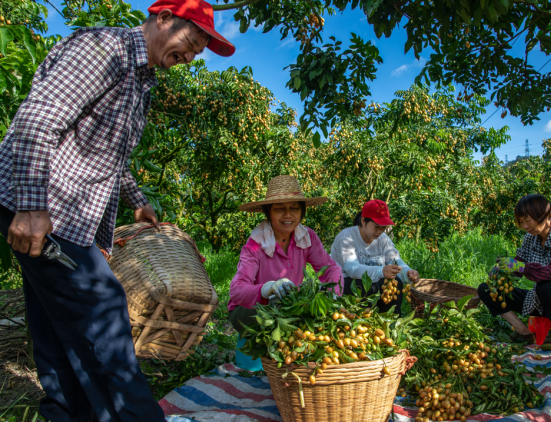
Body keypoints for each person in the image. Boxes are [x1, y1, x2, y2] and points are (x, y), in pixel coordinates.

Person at [0, 0, 235, 420]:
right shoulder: (105, 49)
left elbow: (110, 156)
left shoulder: (141, 82)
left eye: (197, 53)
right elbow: (38, 118)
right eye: (190, 42)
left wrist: (138, 201)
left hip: (61, 216)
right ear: (163, 18)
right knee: (106, 309)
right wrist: (32, 207)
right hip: (47, 209)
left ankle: (67, 413)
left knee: (56, 324)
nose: (190, 56)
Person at [228, 175, 343, 333]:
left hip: (289, 305)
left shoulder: (306, 238)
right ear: (269, 212)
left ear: (302, 211)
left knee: (309, 310)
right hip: (249, 311)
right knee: (285, 311)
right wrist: (267, 289)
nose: (288, 215)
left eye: (294, 208)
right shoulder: (256, 244)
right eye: (280, 208)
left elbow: (330, 269)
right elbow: (237, 290)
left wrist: (333, 293)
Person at [477, 194, 551, 350]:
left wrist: (521, 267)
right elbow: (519, 265)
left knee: (546, 285)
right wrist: (503, 270)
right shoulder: (530, 239)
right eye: (521, 222)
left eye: (528, 220)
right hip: (539, 300)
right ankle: (523, 332)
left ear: (545, 215)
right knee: (486, 289)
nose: (525, 226)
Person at [330, 200, 419, 315]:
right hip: (344, 283)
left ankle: (390, 322)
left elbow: (394, 259)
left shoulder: (383, 239)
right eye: (376, 227)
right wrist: (382, 271)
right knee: (365, 286)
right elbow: (352, 269)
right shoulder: (347, 237)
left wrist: (408, 272)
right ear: (363, 221)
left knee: (396, 282)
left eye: (383, 227)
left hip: (371, 282)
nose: (379, 231)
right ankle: (360, 321)